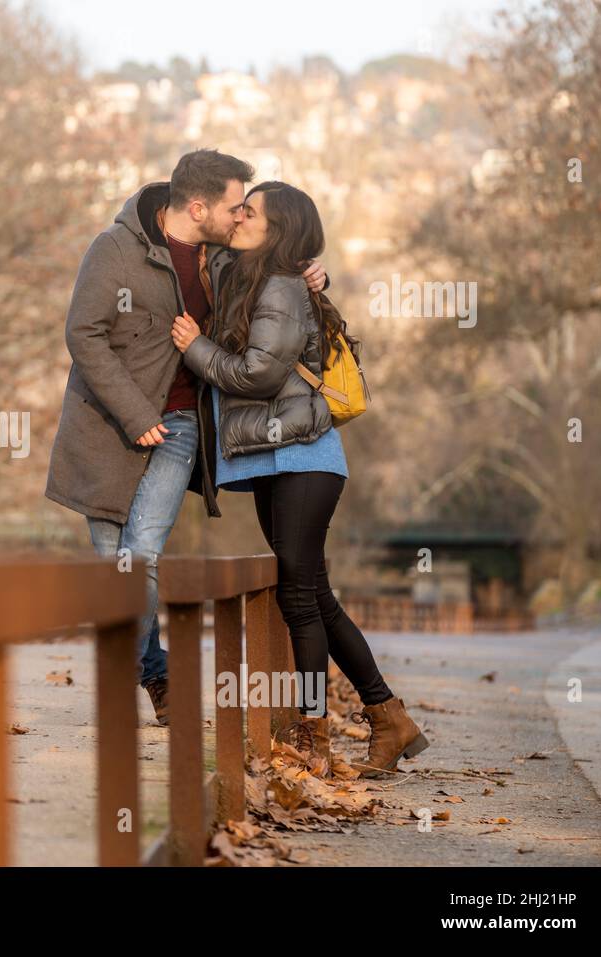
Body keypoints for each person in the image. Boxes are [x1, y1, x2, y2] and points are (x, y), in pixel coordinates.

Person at [44, 150, 327, 726]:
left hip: (179, 428)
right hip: (105, 431)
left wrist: (313, 273)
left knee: (141, 555)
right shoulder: (115, 250)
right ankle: (157, 673)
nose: (241, 215)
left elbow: (276, 283)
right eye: (233, 205)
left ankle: (119, 681)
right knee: (113, 570)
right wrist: (130, 412)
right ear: (198, 207)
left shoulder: (223, 257)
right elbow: (84, 335)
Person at [171, 181, 429, 777]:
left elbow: (260, 373)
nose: (239, 217)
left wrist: (196, 349)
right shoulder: (257, 277)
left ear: (278, 229)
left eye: (251, 212)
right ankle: (389, 719)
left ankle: (314, 737)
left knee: (298, 597)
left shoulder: (282, 287)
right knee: (314, 596)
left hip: (304, 459)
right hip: (276, 457)